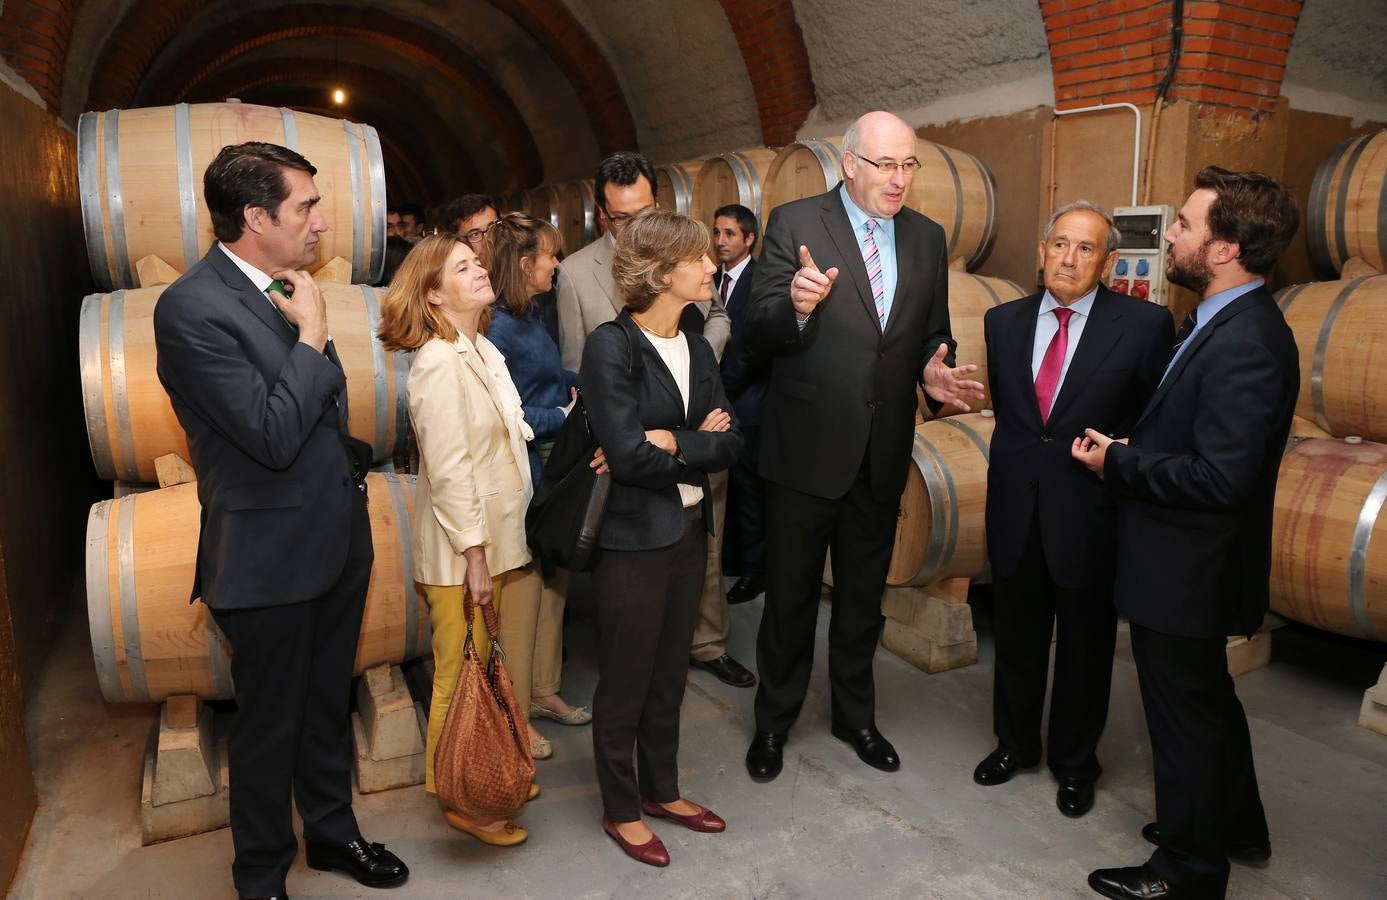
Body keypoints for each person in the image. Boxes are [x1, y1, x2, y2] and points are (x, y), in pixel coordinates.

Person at [153, 141, 408, 898]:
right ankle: (259, 876)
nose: (322, 222)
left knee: (326, 705)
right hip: (265, 558)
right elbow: (267, 434)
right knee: (268, 728)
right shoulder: (191, 307)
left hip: (334, 540)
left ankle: (332, 836)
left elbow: (316, 422)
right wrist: (312, 336)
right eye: (306, 206)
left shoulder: (287, 283)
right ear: (256, 216)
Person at [1073, 167, 1300, 900]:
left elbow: (1219, 478)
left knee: (1182, 722)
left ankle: (1186, 872)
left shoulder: (1249, 341)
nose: (1168, 233)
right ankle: (1235, 827)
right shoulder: (1215, 317)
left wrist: (1122, 462)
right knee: (1208, 706)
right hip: (1182, 563)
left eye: (1182, 223)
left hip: (1187, 571)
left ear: (1226, 247)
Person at [742, 110, 983, 782]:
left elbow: (932, 330)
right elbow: (757, 329)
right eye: (884, 164)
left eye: (908, 164)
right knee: (788, 599)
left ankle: (855, 716)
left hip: (880, 453)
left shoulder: (928, 238)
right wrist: (793, 303)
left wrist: (934, 367)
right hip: (803, 451)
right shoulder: (796, 223)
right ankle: (773, 722)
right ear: (849, 163)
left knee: (859, 600)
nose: (898, 178)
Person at [975, 201, 1173, 819]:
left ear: (1109, 262)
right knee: (1017, 639)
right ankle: (1015, 744)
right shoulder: (1002, 321)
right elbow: (1017, 422)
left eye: (1085, 249)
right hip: (1015, 508)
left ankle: (1074, 763)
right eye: (1060, 243)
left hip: (1089, 513)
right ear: (1041, 250)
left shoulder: (1145, 325)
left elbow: (1152, 424)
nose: (1069, 257)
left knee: (1086, 650)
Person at [581, 209, 743, 867]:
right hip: (632, 539)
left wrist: (675, 439)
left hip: (686, 532)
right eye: (699, 257)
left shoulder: (698, 344)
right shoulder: (610, 345)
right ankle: (621, 807)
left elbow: (733, 441)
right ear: (662, 269)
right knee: (625, 678)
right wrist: (693, 443)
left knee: (670, 674)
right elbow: (622, 456)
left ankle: (663, 790)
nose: (711, 266)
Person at [377, 234, 543, 848]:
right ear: (432, 294)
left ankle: (483, 769)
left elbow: (508, 432)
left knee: (485, 662)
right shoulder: (439, 362)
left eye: (478, 263)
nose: (479, 270)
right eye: (462, 267)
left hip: (492, 539)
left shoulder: (478, 347)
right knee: (460, 673)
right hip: (461, 552)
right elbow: (447, 470)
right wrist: (474, 554)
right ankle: (463, 797)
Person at [483, 212, 592, 756]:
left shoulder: (530, 313)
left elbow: (548, 379)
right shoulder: (497, 327)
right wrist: (567, 415)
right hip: (530, 467)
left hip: (555, 464)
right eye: (550, 255)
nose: (557, 262)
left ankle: (545, 689)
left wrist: (588, 382)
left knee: (554, 584)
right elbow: (512, 414)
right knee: (524, 597)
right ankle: (516, 710)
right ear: (524, 264)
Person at [556, 151, 730, 372]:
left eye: (644, 213)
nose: (636, 226)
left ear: (657, 204)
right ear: (602, 213)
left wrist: (699, 362)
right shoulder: (574, 274)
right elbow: (576, 368)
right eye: (621, 218)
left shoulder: (683, 249)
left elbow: (716, 313)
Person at [710, 203, 768, 608]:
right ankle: (731, 559)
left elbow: (752, 350)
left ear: (749, 239)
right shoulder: (712, 278)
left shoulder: (762, 279)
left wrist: (719, 387)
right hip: (721, 402)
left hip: (748, 402)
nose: (720, 242)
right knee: (722, 487)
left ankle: (754, 572)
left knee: (750, 492)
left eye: (729, 234)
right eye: (716, 233)